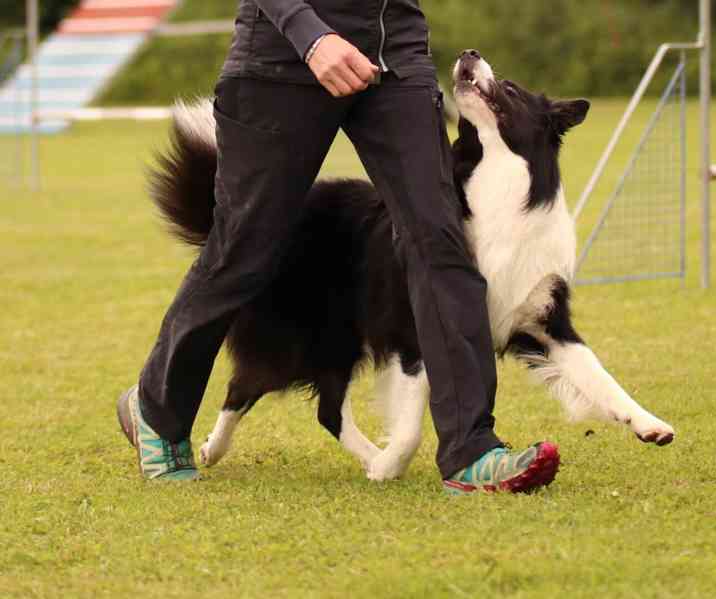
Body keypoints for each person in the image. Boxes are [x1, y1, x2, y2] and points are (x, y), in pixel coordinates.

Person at [117, 0, 559, 493]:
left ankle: (471, 449)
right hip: (283, 55)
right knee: (245, 250)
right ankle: (157, 410)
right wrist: (310, 35)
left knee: (439, 239)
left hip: (394, 53)